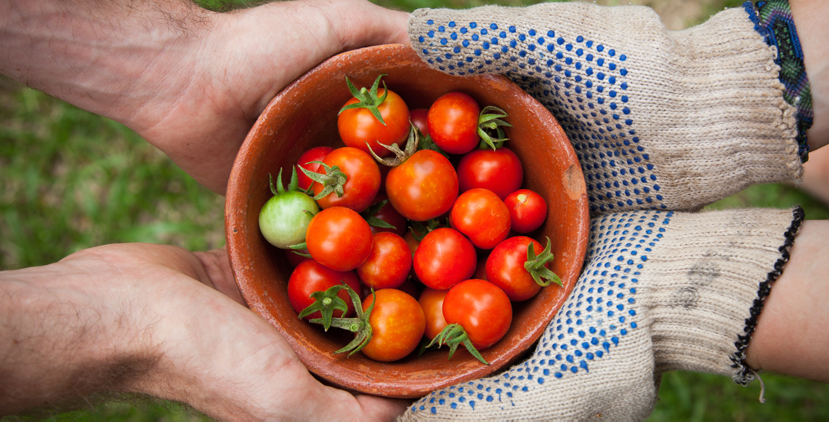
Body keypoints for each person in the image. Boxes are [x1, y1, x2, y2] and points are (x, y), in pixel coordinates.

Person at [1, 0, 827, 420]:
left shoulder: (379, 207)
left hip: (446, 249)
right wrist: (125, 327)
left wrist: (168, 63)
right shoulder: (379, 240)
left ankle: (787, 139)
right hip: (443, 258)